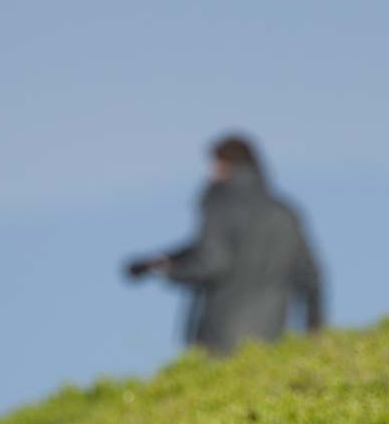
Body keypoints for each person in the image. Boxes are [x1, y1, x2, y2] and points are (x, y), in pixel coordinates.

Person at [123, 135, 324, 355]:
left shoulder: (220, 201)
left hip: (220, 339)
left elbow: (211, 261)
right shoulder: (285, 213)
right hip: (269, 340)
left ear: (225, 165)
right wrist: (314, 331)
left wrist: (168, 270)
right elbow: (311, 276)